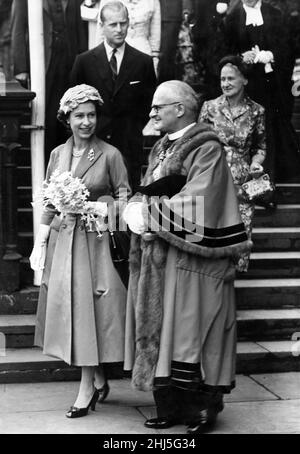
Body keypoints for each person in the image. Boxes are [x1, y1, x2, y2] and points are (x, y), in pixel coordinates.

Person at [123, 80, 252, 434]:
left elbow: (199, 201)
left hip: (196, 262)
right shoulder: (163, 148)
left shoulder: (206, 148)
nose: (151, 113)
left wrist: (147, 215)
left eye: (157, 107)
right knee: (167, 333)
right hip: (163, 259)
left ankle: (202, 409)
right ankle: (172, 407)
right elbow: (150, 190)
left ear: (179, 109)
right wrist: (135, 205)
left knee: (196, 334)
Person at [30, 84, 131, 418]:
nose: (86, 122)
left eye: (91, 115)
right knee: (70, 311)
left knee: (89, 313)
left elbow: (124, 200)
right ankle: (98, 375)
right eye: (79, 116)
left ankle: (86, 388)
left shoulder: (110, 154)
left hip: (94, 243)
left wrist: (96, 207)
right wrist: (40, 242)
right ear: (67, 118)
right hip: (64, 243)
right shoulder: (58, 154)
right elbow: (49, 200)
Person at [71, 1, 156, 191]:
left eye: (123, 23)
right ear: (101, 26)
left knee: (125, 200)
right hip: (92, 143)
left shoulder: (143, 62)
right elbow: (73, 104)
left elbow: (147, 105)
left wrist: (130, 128)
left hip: (128, 144)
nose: (119, 29)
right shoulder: (84, 62)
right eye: (113, 24)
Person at [199, 55, 266, 272]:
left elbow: (260, 147)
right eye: (222, 79)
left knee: (240, 232)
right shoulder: (210, 107)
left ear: (244, 80)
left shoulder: (257, 111)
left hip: (242, 183)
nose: (225, 84)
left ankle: (234, 285)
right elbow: (198, 142)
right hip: (213, 176)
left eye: (231, 79)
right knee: (213, 229)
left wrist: (256, 163)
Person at [222, 0, 300, 182]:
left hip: (272, 84)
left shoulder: (276, 14)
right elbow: (222, 52)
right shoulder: (231, 19)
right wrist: (241, 58)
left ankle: (271, 181)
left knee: (272, 126)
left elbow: (289, 46)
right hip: (246, 85)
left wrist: (270, 55)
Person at [10, 0, 88, 160]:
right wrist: (21, 68)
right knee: (47, 117)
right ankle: (47, 164)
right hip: (43, 64)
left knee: (69, 114)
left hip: (69, 62)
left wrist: (83, 63)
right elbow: (18, 28)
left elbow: (79, 28)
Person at [89, 0, 161, 75]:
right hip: (116, 50)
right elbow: (101, 31)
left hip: (143, 49)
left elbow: (155, 32)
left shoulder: (153, 1)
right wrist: (99, 57)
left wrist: (155, 58)